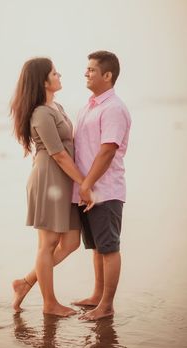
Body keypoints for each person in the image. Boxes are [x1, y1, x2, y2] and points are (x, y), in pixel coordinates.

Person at [10, 57, 94, 316]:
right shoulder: (40, 113)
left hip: (63, 181)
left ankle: (25, 282)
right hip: (48, 180)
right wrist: (85, 183)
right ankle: (49, 304)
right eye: (55, 73)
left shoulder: (56, 107)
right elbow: (58, 154)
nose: (59, 76)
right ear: (43, 80)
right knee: (47, 244)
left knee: (70, 242)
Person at [72, 51, 131, 320]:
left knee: (109, 247)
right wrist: (82, 187)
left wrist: (88, 184)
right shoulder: (89, 106)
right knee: (96, 247)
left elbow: (108, 150)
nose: (86, 73)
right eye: (86, 69)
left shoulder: (114, 108)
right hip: (87, 191)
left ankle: (106, 306)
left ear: (108, 76)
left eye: (92, 70)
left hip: (104, 190)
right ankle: (97, 296)